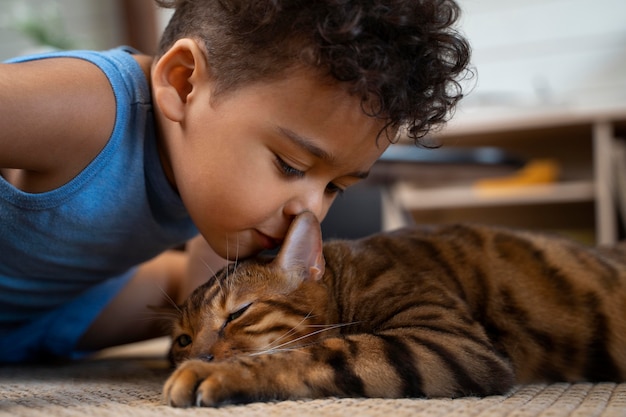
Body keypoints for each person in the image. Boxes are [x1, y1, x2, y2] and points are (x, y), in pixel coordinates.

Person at [0, 0, 471, 362]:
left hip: (55, 311)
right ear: (184, 84)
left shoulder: (219, 191)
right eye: (290, 165)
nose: (308, 210)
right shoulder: (90, 105)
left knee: (197, 310)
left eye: (335, 187)